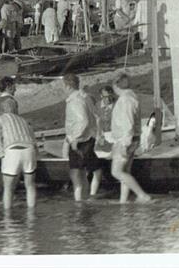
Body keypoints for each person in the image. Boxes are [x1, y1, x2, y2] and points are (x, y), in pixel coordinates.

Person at [0, 96, 38, 210]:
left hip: (12, 151)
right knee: (30, 186)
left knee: (8, 188)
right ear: (15, 108)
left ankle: (7, 217)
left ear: (3, 109)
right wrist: (36, 154)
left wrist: (0, 154)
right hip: (29, 150)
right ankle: (31, 214)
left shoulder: (0, 119)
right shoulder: (23, 120)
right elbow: (33, 138)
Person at [110, 73, 151, 203]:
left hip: (126, 139)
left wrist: (125, 143)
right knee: (125, 171)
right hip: (132, 138)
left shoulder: (126, 100)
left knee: (116, 172)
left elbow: (128, 122)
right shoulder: (131, 97)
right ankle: (123, 201)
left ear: (117, 86)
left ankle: (142, 195)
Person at [62, 73, 100, 202]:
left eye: (63, 87)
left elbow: (83, 121)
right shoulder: (86, 97)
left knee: (75, 174)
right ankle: (85, 200)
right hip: (89, 138)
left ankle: (78, 202)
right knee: (83, 173)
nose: (63, 90)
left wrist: (75, 139)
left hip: (80, 141)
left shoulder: (75, 101)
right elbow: (95, 116)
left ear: (68, 87)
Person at [89, 85, 116, 196]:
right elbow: (95, 122)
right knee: (96, 160)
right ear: (101, 96)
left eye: (110, 96)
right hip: (100, 135)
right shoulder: (97, 106)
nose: (108, 99)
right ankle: (92, 192)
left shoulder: (116, 105)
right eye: (105, 97)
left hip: (113, 135)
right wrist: (98, 135)